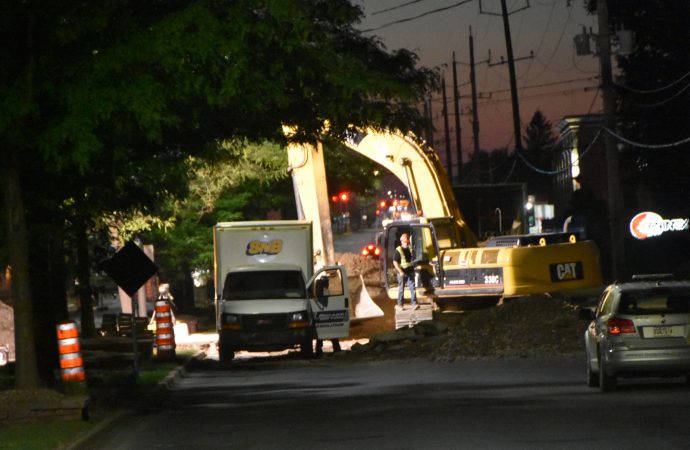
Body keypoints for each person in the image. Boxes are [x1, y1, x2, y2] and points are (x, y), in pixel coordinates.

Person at [393, 233, 418, 310]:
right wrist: (400, 271)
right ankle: (400, 304)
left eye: (406, 239)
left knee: (412, 288)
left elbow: (412, 260)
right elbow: (395, 262)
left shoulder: (410, 249)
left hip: (410, 271)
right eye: (404, 239)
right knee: (401, 289)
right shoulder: (398, 250)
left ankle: (414, 303)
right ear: (401, 240)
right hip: (402, 272)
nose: (405, 240)